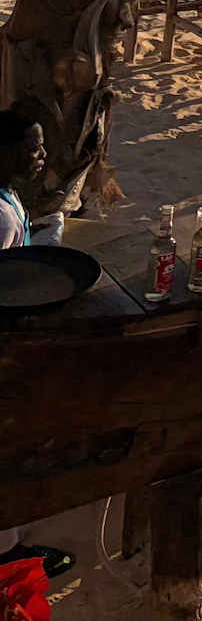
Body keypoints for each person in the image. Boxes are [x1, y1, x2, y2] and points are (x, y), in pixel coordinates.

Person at [0, 110, 73, 580]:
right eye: (32, 147)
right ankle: (8, 560)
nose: (41, 155)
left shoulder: (8, 199)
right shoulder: (0, 217)